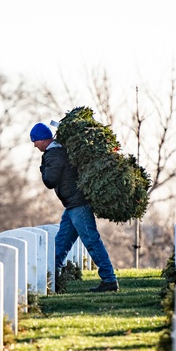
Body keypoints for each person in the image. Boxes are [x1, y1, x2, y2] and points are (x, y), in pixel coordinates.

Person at [31, 122, 119, 292]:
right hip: (72, 205)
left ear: (42, 140)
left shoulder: (53, 154)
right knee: (61, 243)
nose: (34, 145)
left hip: (78, 205)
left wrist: (42, 167)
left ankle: (109, 279)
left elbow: (49, 180)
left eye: (35, 141)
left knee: (92, 241)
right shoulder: (59, 150)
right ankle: (52, 278)